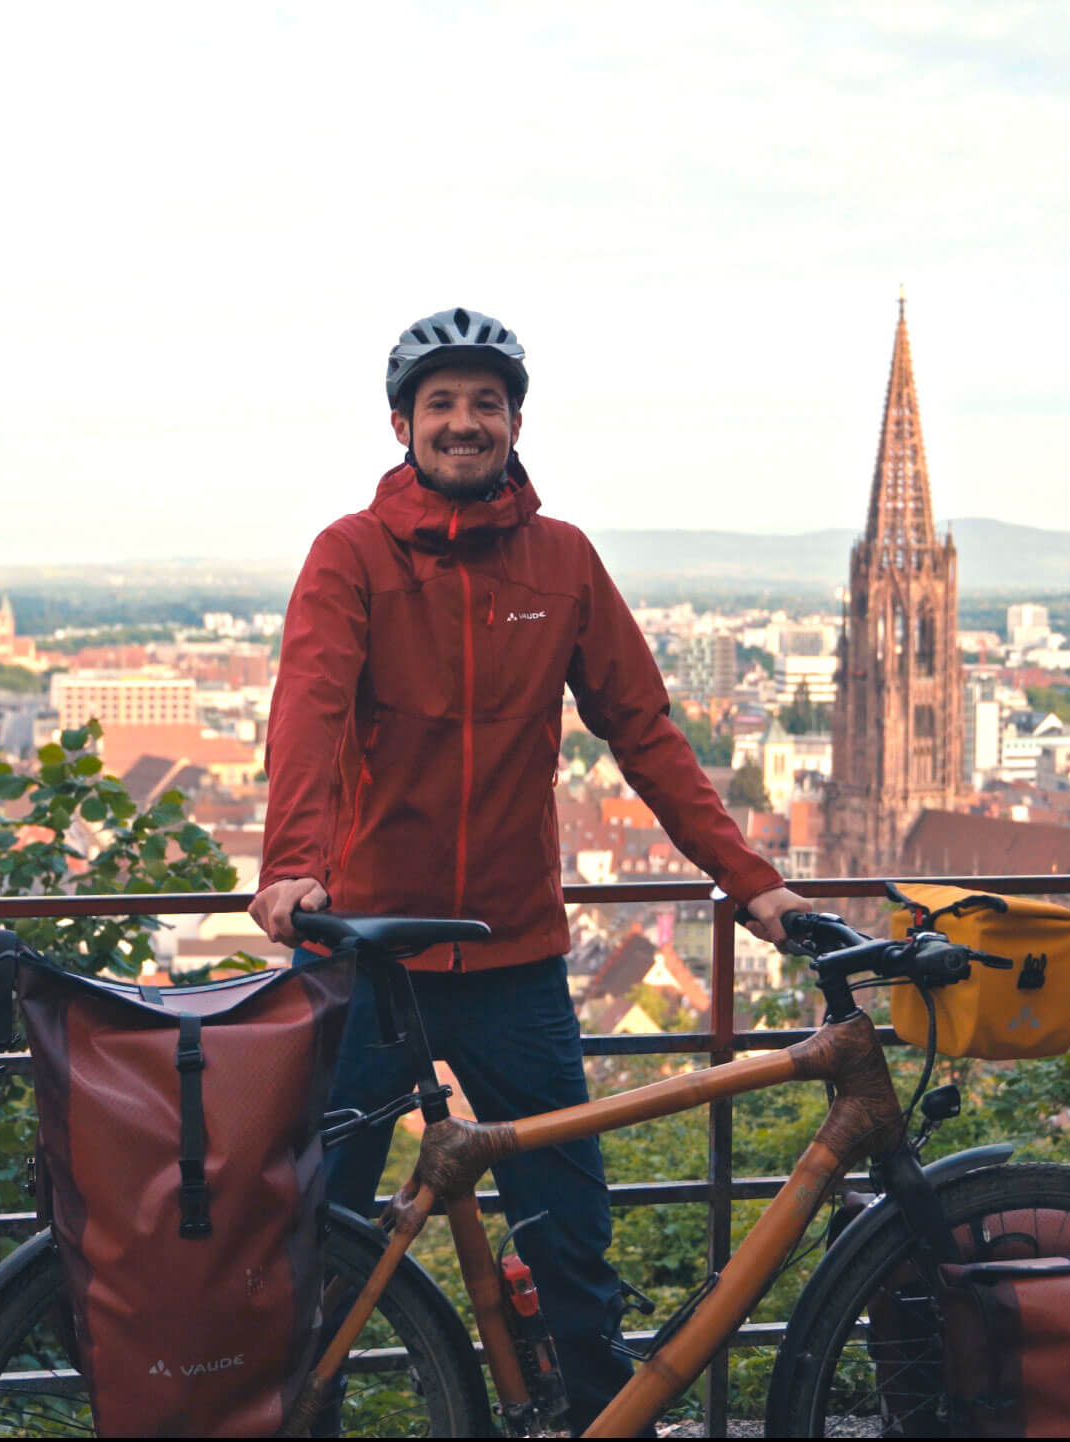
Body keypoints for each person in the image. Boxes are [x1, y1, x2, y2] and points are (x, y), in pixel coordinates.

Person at [250, 306, 808, 1428]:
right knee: (322, 1233)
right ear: (403, 423)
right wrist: (291, 866)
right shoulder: (350, 554)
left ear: (513, 421)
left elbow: (643, 730)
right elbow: (308, 710)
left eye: (485, 404)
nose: (465, 423)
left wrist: (751, 881)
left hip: (514, 952)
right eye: (442, 404)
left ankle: (600, 1417)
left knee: (568, 1226)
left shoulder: (562, 561)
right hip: (371, 954)